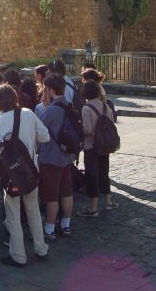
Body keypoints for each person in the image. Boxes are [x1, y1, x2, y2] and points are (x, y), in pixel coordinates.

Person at [0, 84, 50, 267]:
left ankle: (18, 255)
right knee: (33, 211)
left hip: (11, 176)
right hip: (30, 172)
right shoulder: (29, 114)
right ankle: (41, 248)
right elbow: (45, 136)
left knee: (13, 215)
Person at [38, 73, 76, 241]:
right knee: (66, 192)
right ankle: (66, 225)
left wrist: (44, 108)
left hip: (51, 158)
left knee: (51, 195)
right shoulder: (69, 105)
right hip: (67, 156)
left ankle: (49, 227)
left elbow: (39, 130)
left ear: (51, 89)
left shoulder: (52, 110)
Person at [78, 81, 117, 216]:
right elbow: (112, 124)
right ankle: (108, 201)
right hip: (105, 145)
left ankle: (92, 207)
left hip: (91, 146)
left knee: (92, 175)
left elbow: (87, 129)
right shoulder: (106, 107)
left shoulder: (86, 109)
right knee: (104, 172)